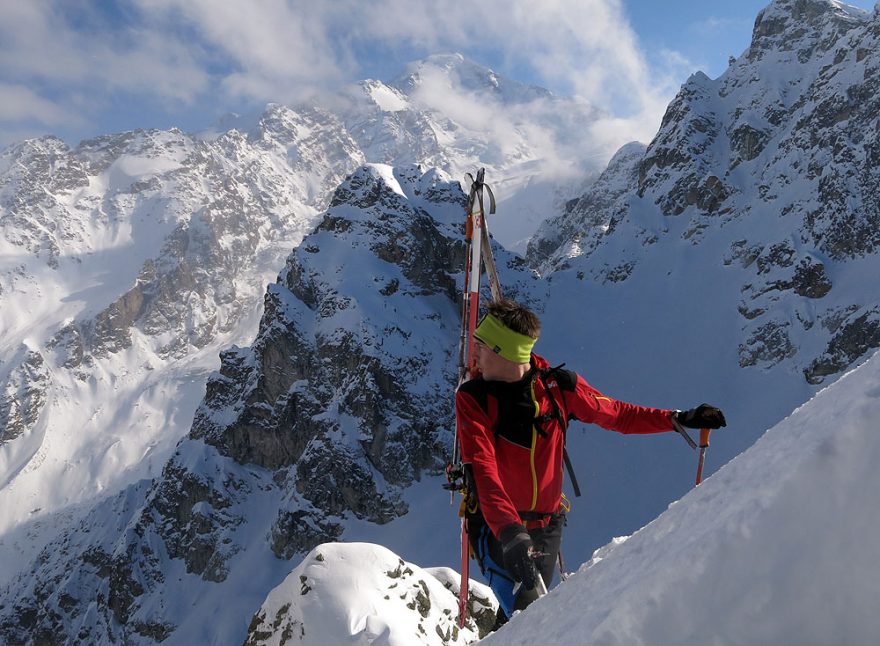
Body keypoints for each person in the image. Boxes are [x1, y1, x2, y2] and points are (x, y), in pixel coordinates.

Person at [455, 298, 726, 626]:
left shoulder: (558, 387)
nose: (475, 356)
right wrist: (509, 530)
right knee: (530, 617)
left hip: (545, 527)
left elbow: (617, 415)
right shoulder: (473, 398)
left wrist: (677, 419)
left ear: (504, 351)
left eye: (481, 347)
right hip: (496, 529)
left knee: (526, 621)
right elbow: (483, 468)